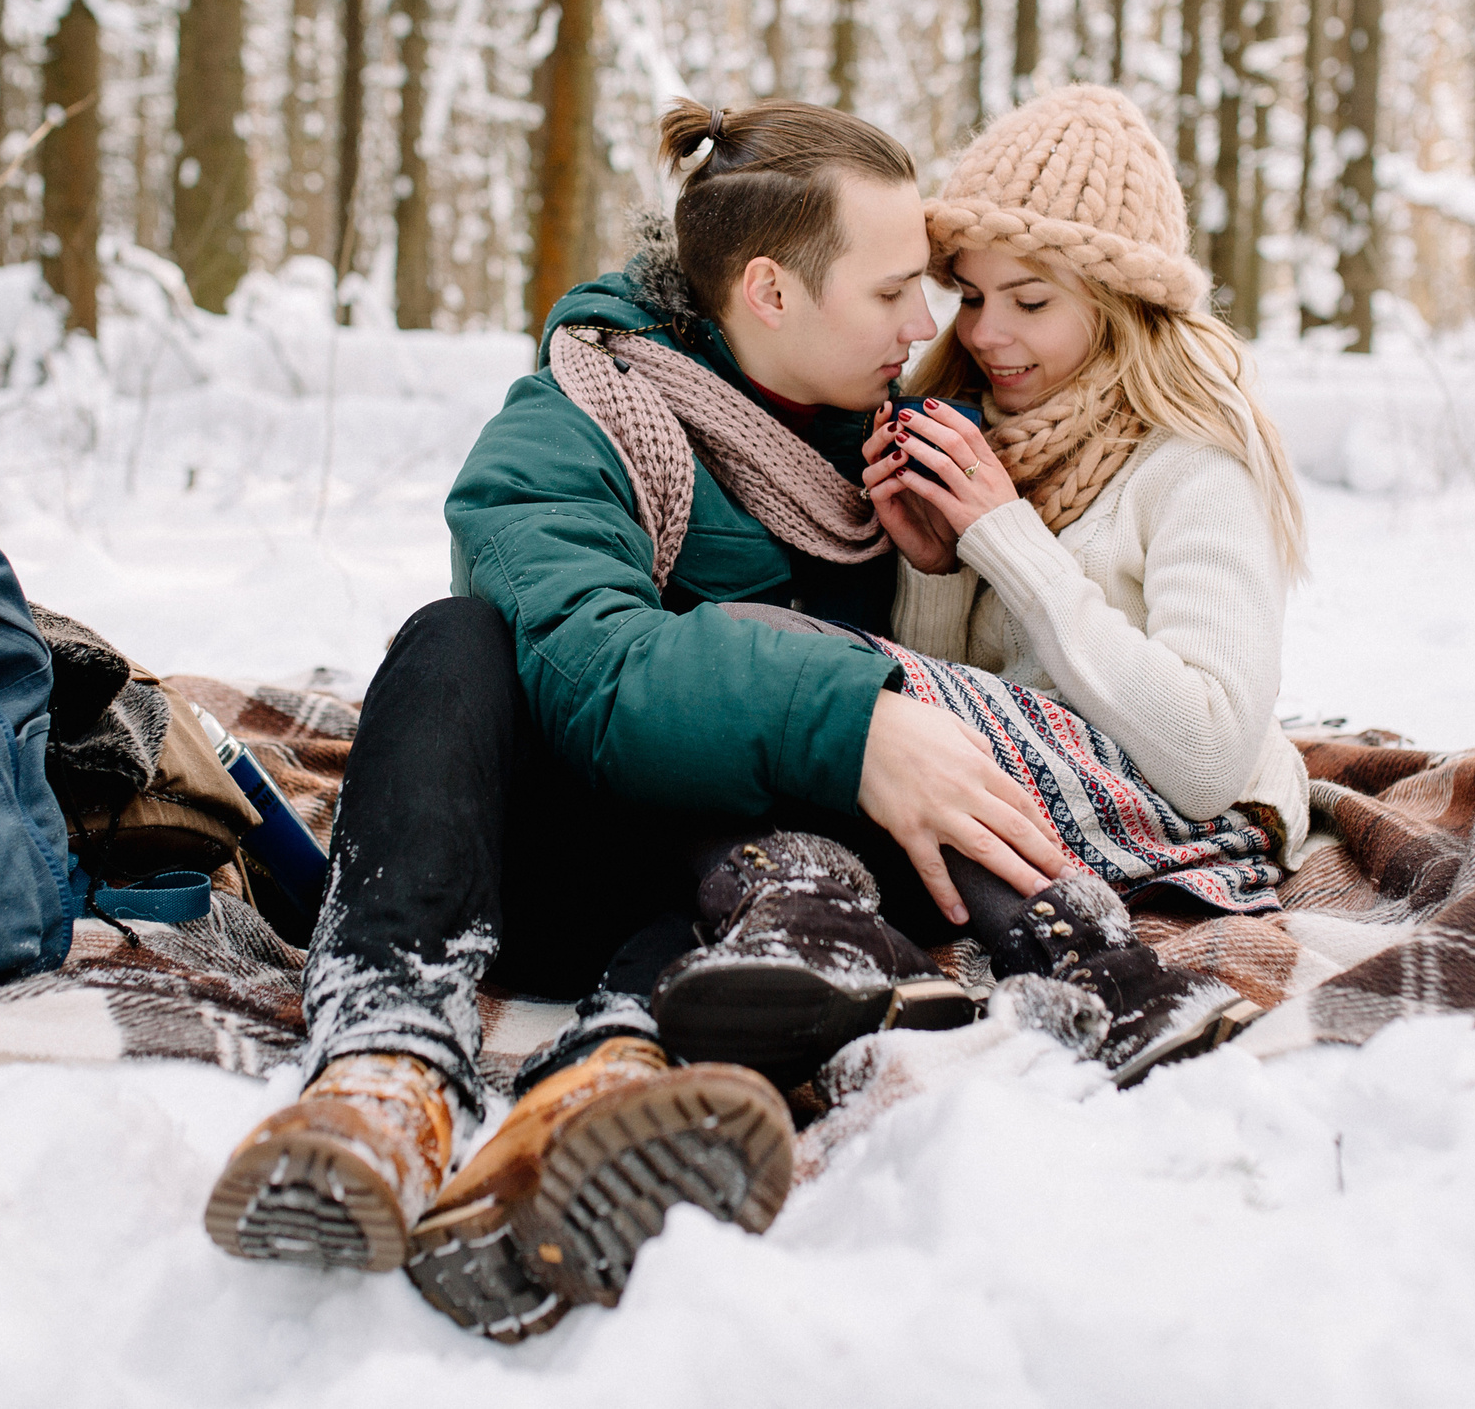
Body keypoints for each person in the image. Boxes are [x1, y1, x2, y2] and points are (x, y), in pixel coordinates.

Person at [201, 99, 1072, 1344]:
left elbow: (970, 695)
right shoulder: (574, 423)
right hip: (544, 868)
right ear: (770, 291)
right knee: (452, 643)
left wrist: (934, 571)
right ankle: (383, 1064)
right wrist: (847, 720)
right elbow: (593, 672)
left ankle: (615, 1084)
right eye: (890, 293)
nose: (922, 325)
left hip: (725, 906)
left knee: (809, 799)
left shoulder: (907, 450)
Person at [652, 84, 1313, 1084]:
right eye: (971, 294)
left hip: (1182, 812)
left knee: (754, 660)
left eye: (1032, 301)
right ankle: (809, 924)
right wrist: (933, 565)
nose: (988, 333)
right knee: (754, 726)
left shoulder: (1193, 465)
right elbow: (956, 702)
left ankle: (1089, 964)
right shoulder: (986, 431)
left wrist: (1003, 534)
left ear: (1124, 299)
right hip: (1029, 792)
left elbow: (1207, 752)